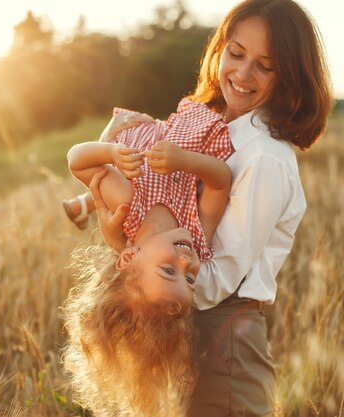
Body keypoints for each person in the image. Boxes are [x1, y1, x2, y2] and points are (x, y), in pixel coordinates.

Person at [89, 0, 333, 415]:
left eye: (265, 65)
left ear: (290, 76)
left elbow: (219, 276)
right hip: (185, 324)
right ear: (219, 49)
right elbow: (155, 196)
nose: (241, 73)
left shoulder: (264, 158)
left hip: (224, 334)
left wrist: (135, 260)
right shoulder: (209, 127)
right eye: (236, 54)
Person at [62, 99, 234, 417]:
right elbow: (221, 178)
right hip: (190, 134)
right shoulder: (197, 236)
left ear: (129, 258)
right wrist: (186, 161)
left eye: (169, 270)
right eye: (190, 279)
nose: (186, 263)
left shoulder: (128, 204)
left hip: (139, 132)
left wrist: (111, 153)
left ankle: (79, 203)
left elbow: (76, 161)